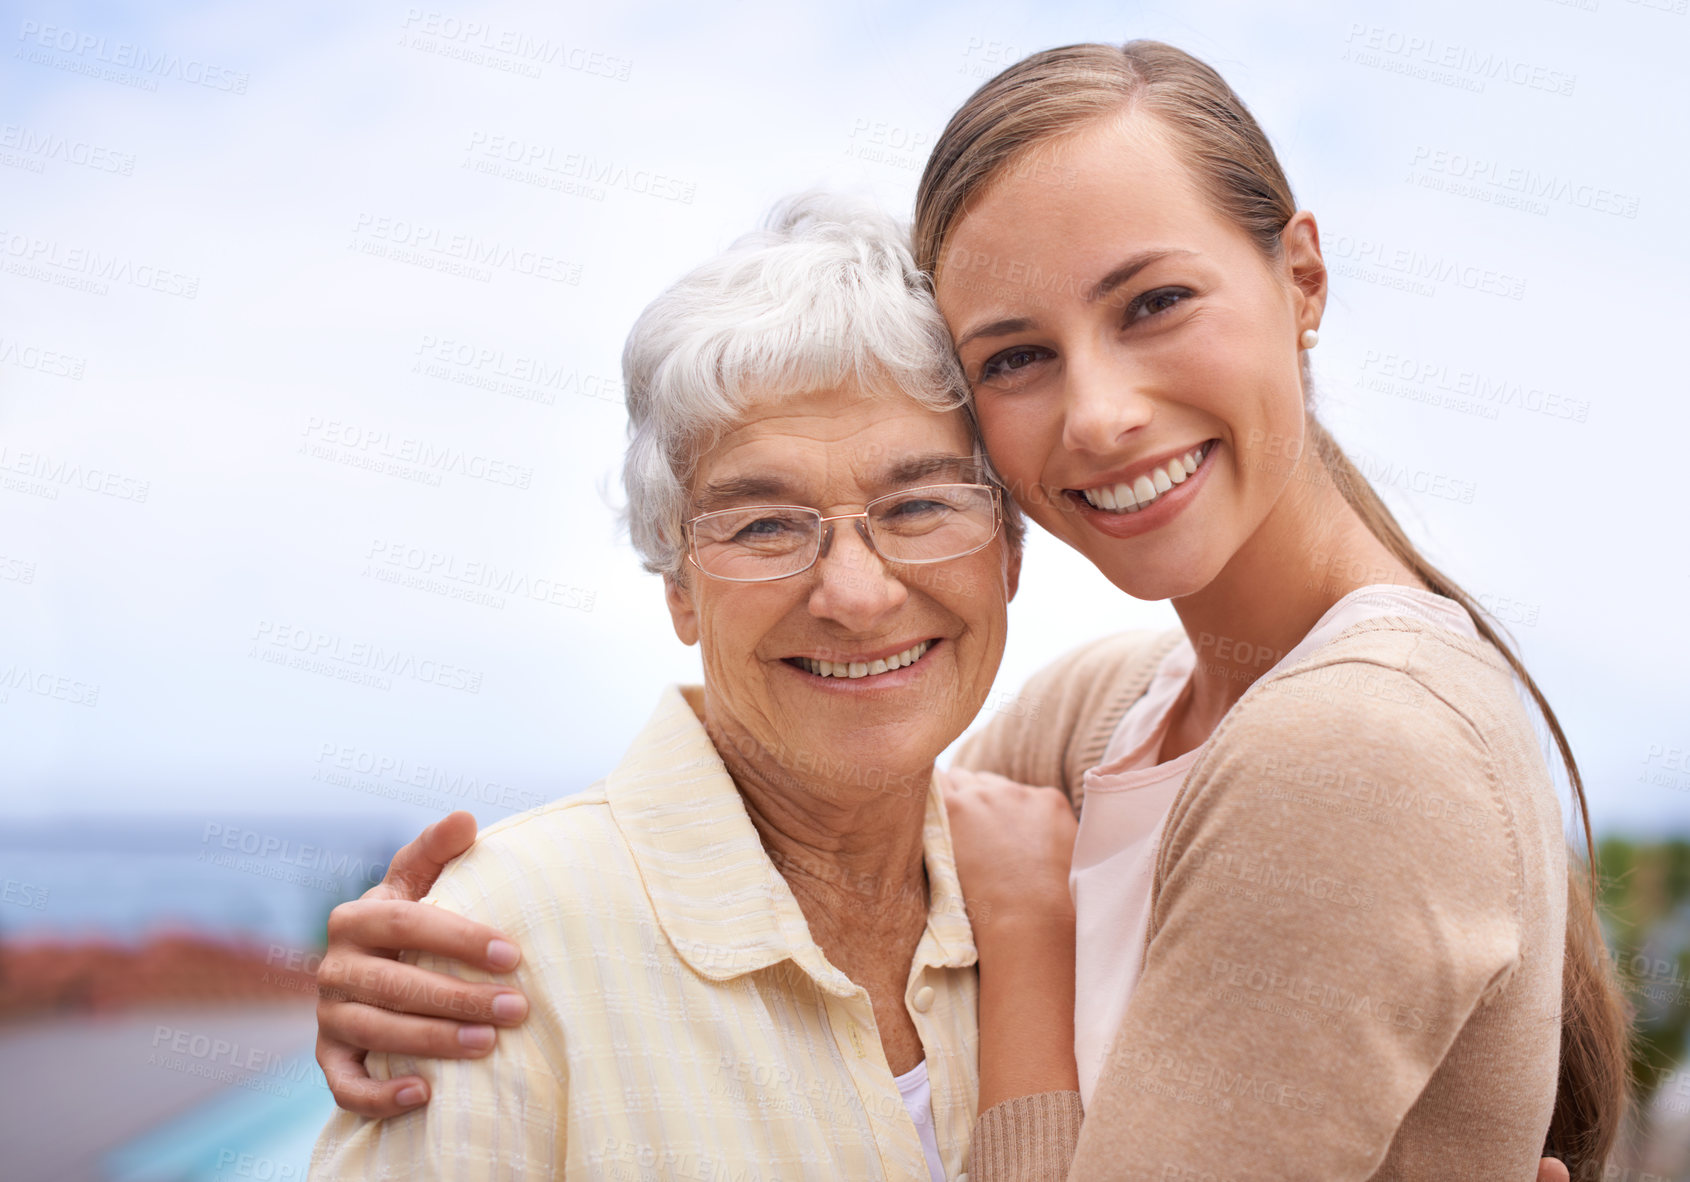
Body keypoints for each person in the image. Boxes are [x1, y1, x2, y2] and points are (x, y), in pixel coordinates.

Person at [313, 40, 1626, 1181]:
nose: (1100, 411)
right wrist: (476, 934)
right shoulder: (1115, 711)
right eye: (1014, 357)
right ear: (674, 575)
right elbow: (811, 815)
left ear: (1302, 280)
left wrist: (1030, 946)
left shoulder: (1346, 745)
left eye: (1153, 301)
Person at [310, 196, 1027, 1179]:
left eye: (918, 506)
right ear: (679, 587)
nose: (856, 597)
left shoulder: (1065, 876)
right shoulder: (502, 939)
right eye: (765, 525)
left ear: (1010, 555)